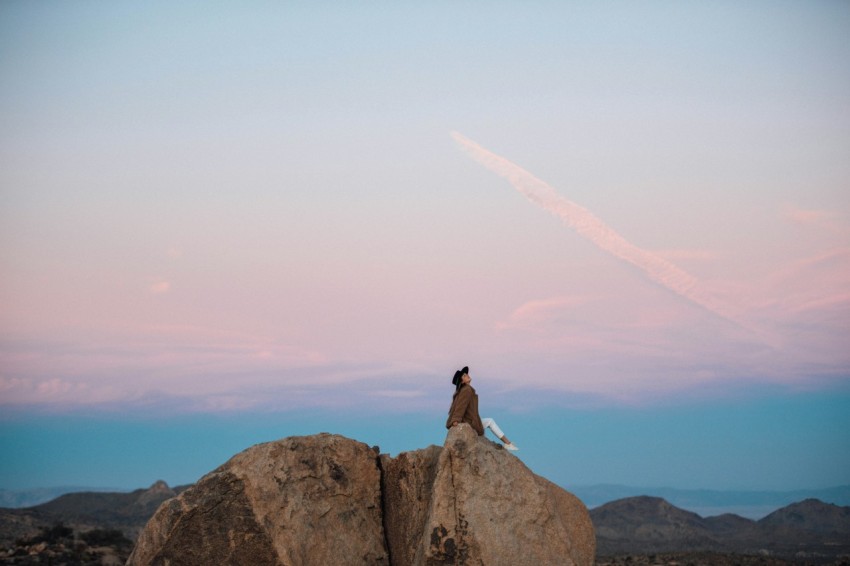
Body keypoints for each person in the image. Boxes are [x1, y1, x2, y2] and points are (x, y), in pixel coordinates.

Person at [446, 366, 519, 451]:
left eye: (466, 374)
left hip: (469, 420)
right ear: (462, 381)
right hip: (468, 422)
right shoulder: (467, 390)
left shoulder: (465, 390)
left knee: (489, 421)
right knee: (490, 421)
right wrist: (456, 420)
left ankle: (508, 443)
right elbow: (460, 406)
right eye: (464, 376)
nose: (467, 376)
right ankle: (508, 443)